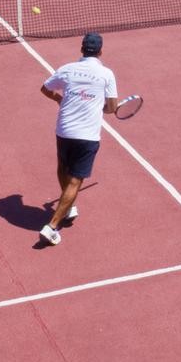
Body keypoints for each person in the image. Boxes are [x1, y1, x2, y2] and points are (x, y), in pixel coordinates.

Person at [37, 32, 118, 246]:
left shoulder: (67, 69)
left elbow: (45, 89)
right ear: (100, 51)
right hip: (87, 136)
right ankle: (51, 226)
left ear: (82, 49)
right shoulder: (107, 74)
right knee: (75, 181)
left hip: (64, 130)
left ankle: (68, 206)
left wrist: (59, 99)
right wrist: (101, 106)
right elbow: (111, 108)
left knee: (62, 168)